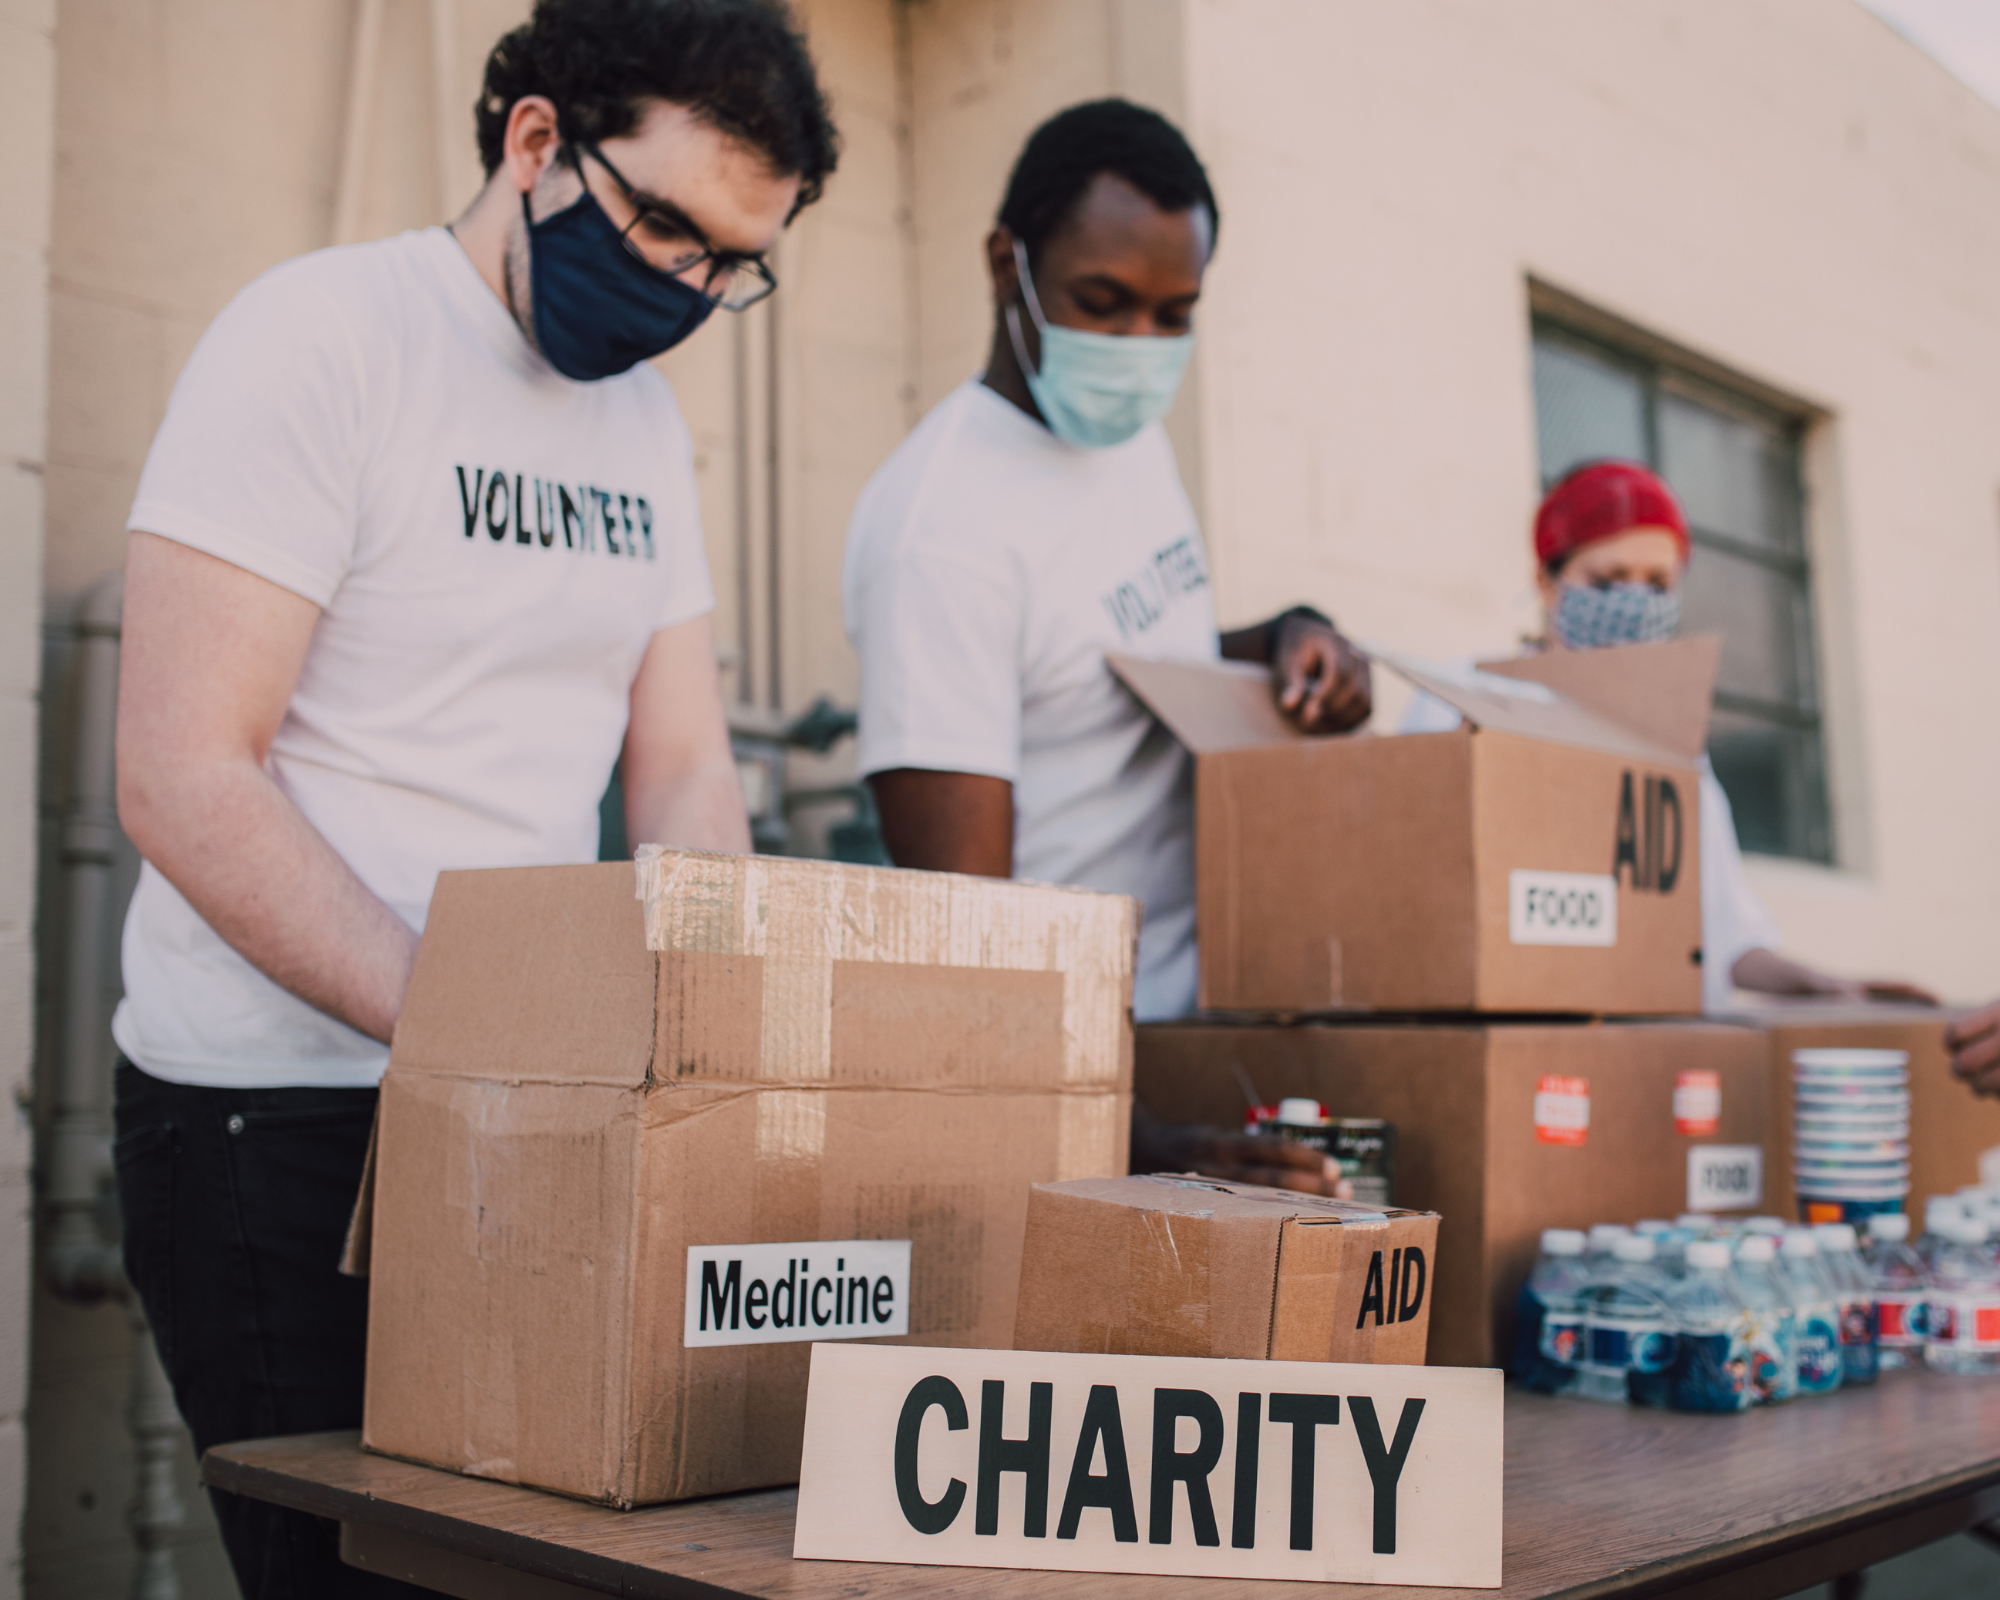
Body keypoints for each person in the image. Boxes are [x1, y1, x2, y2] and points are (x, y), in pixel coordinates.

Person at [110, 3, 837, 1594]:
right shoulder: (321, 339)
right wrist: (484, 1030)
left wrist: (716, 1054)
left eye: (733, 266)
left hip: (522, 1113)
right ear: (535, 141)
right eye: (664, 229)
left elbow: (681, 767)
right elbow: (181, 773)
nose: (687, 291)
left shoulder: (644, 424)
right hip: (273, 1112)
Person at [841, 100, 1368, 1193]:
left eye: (1175, 315)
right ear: (1008, 267)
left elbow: (1124, 656)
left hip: (1195, 1031)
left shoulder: (1126, 442)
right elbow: (966, 935)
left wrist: (1288, 637)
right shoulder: (940, 533)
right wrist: (1135, 1140)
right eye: (1102, 303)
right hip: (1067, 1096)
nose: (1137, 349)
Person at [1400, 460, 1935, 1013]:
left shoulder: (1674, 739)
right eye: (1607, 580)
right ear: (1547, 582)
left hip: (1647, 1046)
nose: (1633, 601)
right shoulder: (1464, 696)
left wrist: (1825, 985)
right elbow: (1403, 881)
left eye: (1657, 583)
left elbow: (1724, 938)